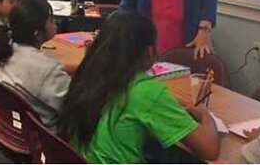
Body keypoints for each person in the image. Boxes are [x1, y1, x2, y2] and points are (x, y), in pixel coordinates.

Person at [59, 11, 220, 163]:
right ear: (150, 52)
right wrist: (207, 116)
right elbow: (210, 150)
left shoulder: (89, 75)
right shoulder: (147, 91)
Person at [0, 0, 71, 131]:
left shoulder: (6, 51)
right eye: (51, 20)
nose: (55, 24)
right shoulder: (49, 70)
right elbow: (74, 107)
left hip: (11, 129)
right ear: (37, 33)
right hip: (44, 138)